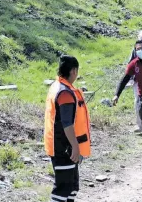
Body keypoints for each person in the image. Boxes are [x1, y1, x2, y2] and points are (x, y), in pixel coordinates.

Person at [44, 55, 91, 202]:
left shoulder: (57, 86)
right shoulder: (65, 93)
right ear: (74, 71)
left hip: (58, 145)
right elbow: (67, 124)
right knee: (63, 189)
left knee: (72, 187)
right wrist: (75, 147)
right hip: (64, 148)